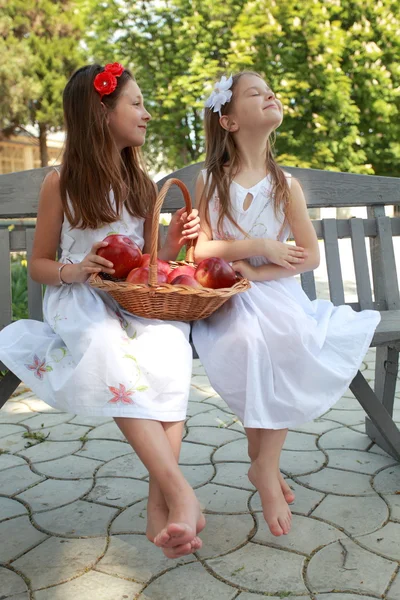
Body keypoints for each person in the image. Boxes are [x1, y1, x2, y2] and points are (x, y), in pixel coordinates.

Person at [0, 63, 205, 558]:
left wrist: (178, 238)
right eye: (135, 103)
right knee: (105, 346)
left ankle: (161, 509)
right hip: (80, 300)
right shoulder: (61, 183)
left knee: (170, 346)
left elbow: (148, 257)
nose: (147, 113)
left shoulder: (141, 182)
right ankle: (180, 494)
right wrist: (78, 270)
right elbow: (42, 264)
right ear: (101, 112)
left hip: (130, 297)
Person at [192, 71, 381, 538]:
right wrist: (254, 245)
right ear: (230, 121)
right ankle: (264, 470)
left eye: (270, 90)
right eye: (254, 93)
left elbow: (309, 255)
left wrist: (262, 269)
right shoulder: (211, 181)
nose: (269, 95)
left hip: (275, 292)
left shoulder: (285, 184)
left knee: (289, 337)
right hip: (227, 295)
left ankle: (264, 466)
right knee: (250, 343)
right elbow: (201, 251)